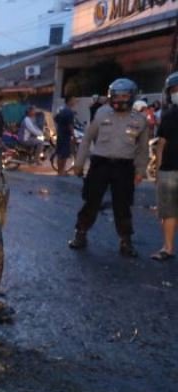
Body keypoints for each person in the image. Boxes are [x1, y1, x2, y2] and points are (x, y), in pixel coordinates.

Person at [70, 78, 148, 257]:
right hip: (100, 164)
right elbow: (87, 138)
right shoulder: (101, 113)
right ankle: (80, 234)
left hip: (124, 167)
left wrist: (140, 171)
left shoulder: (140, 120)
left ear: (132, 96)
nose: (120, 99)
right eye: (116, 96)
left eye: (124, 96)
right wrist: (79, 163)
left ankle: (126, 241)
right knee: (91, 201)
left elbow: (143, 149)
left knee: (123, 205)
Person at [151, 71, 178, 261]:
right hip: (168, 170)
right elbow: (161, 145)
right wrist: (159, 172)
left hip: (169, 170)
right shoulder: (169, 115)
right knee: (168, 211)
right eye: (174, 90)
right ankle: (168, 248)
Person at [54, 96, 77, 176]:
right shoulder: (69, 112)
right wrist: (73, 135)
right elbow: (70, 125)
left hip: (60, 134)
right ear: (69, 101)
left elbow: (55, 119)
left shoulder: (61, 110)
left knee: (60, 153)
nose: (75, 102)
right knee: (64, 154)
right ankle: (61, 171)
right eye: (73, 100)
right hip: (66, 135)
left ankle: (59, 171)